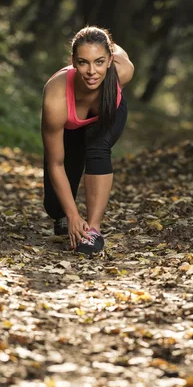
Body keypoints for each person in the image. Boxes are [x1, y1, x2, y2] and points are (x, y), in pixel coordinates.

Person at [41, 25, 134, 255]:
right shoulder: (56, 97)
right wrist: (72, 214)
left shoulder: (123, 70)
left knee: (97, 149)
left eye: (99, 62)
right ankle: (66, 216)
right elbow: (56, 163)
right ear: (73, 61)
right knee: (55, 206)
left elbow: (110, 52)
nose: (92, 71)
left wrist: (97, 39)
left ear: (110, 59)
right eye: (83, 62)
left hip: (107, 110)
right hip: (72, 124)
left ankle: (93, 230)